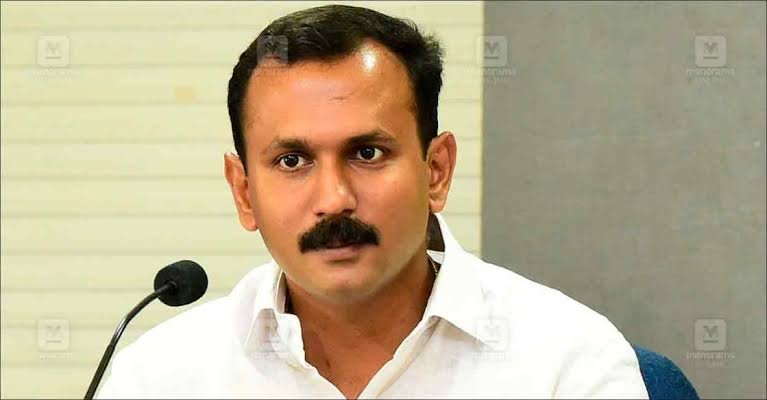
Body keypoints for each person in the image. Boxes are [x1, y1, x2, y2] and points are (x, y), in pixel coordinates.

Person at [98, 5, 649, 399]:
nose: (334, 199)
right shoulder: (159, 378)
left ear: (437, 171)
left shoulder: (566, 362)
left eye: (367, 153)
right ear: (244, 192)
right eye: (292, 160)